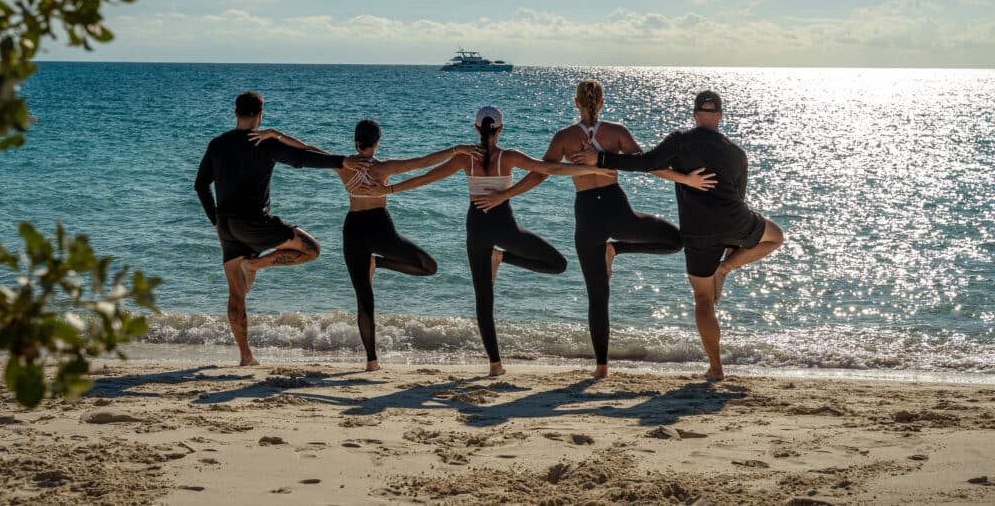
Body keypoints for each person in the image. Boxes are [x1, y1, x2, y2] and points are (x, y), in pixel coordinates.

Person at [473, 80, 717, 378]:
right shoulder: (616, 132)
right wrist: (687, 179)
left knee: (598, 296)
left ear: (576, 103)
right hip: (617, 210)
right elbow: (648, 166)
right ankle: (617, 249)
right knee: (675, 241)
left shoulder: (564, 137)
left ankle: (601, 368)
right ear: (601, 103)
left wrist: (504, 195)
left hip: (587, 216)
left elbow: (542, 173)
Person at [365, 106, 611, 376]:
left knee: (484, 299)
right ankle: (503, 259)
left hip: (477, 227)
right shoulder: (508, 156)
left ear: (476, 129)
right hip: (503, 225)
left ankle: (495, 364)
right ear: (501, 130)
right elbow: (548, 169)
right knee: (557, 264)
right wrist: (594, 169)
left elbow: (426, 177)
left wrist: (388, 189)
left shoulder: (465, 159)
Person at [573, 89, 784, 381]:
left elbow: (646, 163)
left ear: (695, 115)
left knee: (703, 300)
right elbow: (740, 196)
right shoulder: (737, 153)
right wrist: (729, 254)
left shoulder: (681, 141)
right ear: (719, 116)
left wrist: (603, 160)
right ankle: (725, 268)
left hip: (697, 234)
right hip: (734, 221)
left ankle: (716, 368)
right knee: (776, 237)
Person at [248, 120, 481, 371]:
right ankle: (372, 350)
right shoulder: (384, 168)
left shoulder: (343, 165)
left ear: (355, 141)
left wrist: (276, 134)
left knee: (364, 300)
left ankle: (372, 360)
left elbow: (307, 149)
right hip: (380, 229)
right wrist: (456, 149)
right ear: (377, 142)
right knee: (428, 267)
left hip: (354, 230)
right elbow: (424, 162)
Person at [194, 91, 367, 366]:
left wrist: (215, 221)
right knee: (311, 249)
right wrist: (340, 161)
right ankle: (255, 266)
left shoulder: (217, 144)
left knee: (236, 293)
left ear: (235, 112)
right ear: (261, 115)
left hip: (226, 226)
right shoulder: (264, 143)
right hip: (255, 224)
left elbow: (200, 185)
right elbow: (302, 159)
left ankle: (246, 356)